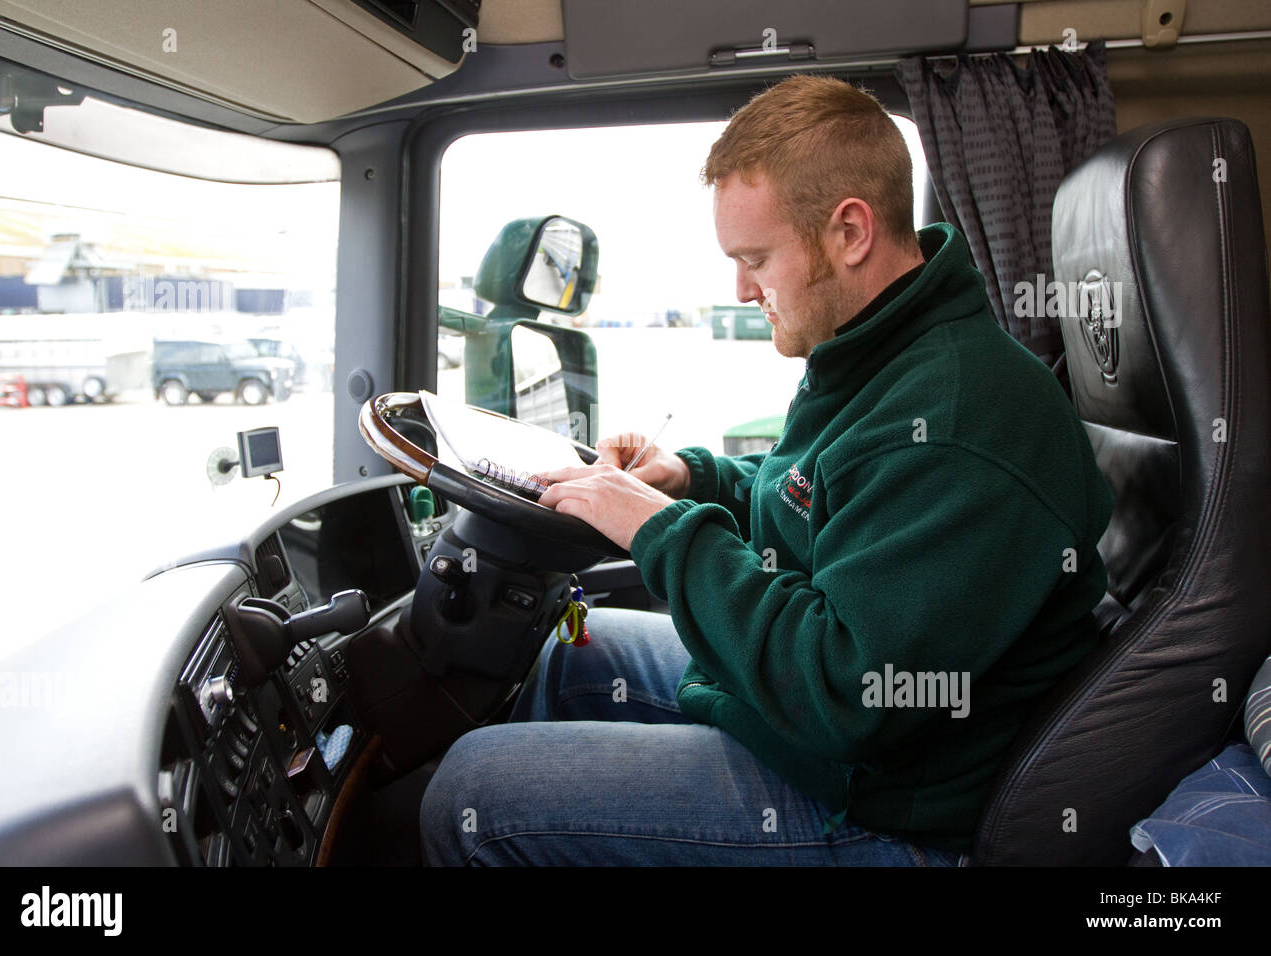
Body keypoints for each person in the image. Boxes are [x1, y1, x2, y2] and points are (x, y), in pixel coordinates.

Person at [419, 74, 1114, 865]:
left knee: (471, 793)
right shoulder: (878, 354)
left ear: (849, 232)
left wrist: (659, 531)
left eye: (755, 259)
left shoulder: (956, 422)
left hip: (889, 805)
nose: (741, 290)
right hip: (846, 743)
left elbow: (844, 691)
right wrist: (693, 480)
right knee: (572, 648)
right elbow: (825, 509)